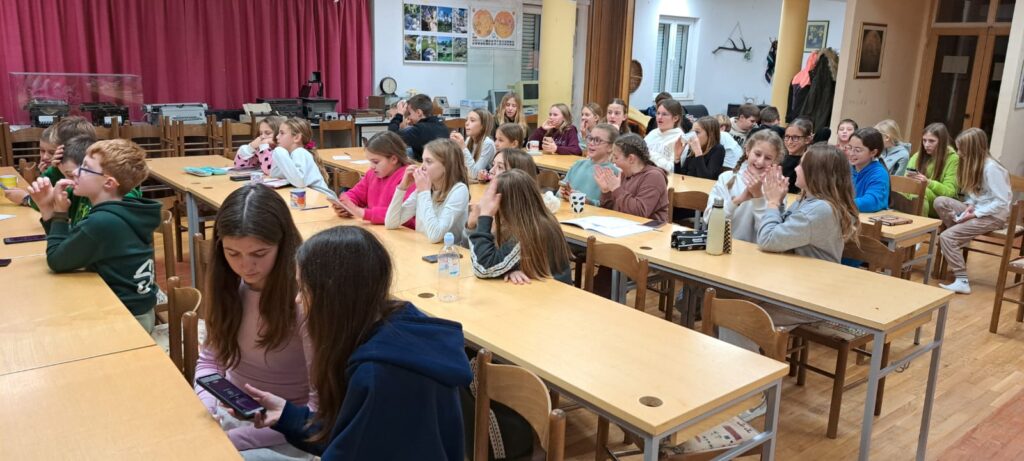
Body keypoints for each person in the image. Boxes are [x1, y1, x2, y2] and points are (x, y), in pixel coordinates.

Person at [243, 226, 473, 460]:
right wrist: (286, 416)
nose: (298, 299)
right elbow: (352, 435)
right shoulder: (400, 328)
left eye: (303, 289)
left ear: (332, 297)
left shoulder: (377, 374)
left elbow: (348, 445)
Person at [195, 184, 315, 458]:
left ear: (284, 246)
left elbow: (319, 412)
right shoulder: (228, 287)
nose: (245, 267)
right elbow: (209, 362)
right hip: (233, 416)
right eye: (232, 253)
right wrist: (209, 407)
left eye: (259, 254)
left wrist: (232, 439)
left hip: (290, 432)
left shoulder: (305, 301)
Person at [28, 139, 161, 330]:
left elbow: (56, 260)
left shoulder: (103, 221)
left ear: (109, 183)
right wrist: (48, 210)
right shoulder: (122, 210)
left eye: (85, 168)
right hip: (135, 310)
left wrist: (58, 213)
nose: (75, 172)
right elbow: (66, 252)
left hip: (127, 319)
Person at [934, 128, 1011, 294]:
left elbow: (1001, 201)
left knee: (946, 237)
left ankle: (962, 281)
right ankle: (959, 238)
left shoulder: (992, 168)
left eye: (961, 149)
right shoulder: (976, 165)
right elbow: (977, 195)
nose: (959, 153)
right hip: (980, 210)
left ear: (972, 149)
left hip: (994, 216)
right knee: (940, 202)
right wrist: (970, 205)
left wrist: (975, 213)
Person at [757, 144, 859, 263]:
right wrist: (778, 202)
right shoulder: (807, 199)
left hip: (814, 273)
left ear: (816, 173)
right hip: (795, 269)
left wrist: (773, 202)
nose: (796, 169)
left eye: (801, 165)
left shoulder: (820, 209)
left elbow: (767, 240)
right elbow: (781, 230)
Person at [469, 170, 572, 285]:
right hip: (537, 288)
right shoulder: (526, 220)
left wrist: (484, 217)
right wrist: (508, 269)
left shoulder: (531, 229)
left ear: (505, 204)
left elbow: (483, 268)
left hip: (552, 293)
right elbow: (493, 258)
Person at [705, 130, 786, 242]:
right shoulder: (726, 178)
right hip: (725, 245)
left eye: (768, 158)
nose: (760, 161)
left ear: (775, 160)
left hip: (758, 249)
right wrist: (737, 200)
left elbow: (768, 234)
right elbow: (710, 220)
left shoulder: (776, 185)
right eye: (757, 154)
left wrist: (758, 196)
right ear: (748, 151)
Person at [385, 138, 470, 244]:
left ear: (446, 166)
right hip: (423, 248)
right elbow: (391, 223)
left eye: (429, 162)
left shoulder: (459, 190)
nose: (422, 167)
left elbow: (435, 236)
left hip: (446, 252)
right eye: (423, 160)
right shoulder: (426, 188)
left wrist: (424, 192)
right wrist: (402, 187)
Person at [333, 131, 415, 228]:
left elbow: (402, 214)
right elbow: (355, 194)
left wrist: (362, 213)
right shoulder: (372, 174)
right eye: (370, 161)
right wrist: (344, 205)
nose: (371, 166)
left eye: (376, 162)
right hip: (379, 230)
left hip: (403, 233)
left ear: (393, 159)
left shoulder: (409, 178)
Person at [596, 133, 669, 222]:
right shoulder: (624, 174)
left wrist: (616, 189)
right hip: (622, 225)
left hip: (648, 228)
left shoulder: (654, 177)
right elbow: (611, 211)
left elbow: (639, 212)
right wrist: (606, 191)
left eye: (616, 157)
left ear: (631, 158)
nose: (613, 161)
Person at [906, 123, 959, 218]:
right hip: (914, 194)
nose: (926, 145)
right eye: (924, 140)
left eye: (931, 141)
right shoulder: (917, 156)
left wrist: (928, 182)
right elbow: (905, 181)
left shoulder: (953, 159)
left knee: (920, 190)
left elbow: (950, 192)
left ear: (942, 142)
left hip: (938, 203)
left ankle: (920, 224)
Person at [561, 124, 620, 206]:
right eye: (590, 138)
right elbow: (560, 191)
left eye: (597, 140)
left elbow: (609, 206)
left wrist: (588, 202)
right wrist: (563, 193)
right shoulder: (578, 164)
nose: (591, 143)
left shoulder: (613, 173)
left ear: (610, 147)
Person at [388, 93, 450, 162]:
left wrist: (399, 114)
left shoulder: (419, 130)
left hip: (426, 164)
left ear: (418, 113)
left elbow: (391, 137)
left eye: (409, 113)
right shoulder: (441, 125)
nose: (408, 117)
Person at [271, 118, 329, 190]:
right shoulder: (290, 154)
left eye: (282, 133)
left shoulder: (300, 152)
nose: (277, 137)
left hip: (321, 195)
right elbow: (274, 173)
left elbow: (299, 182)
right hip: (311, 194)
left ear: (297, 137)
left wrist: (279, 151)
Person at [847, 127, 890, 213]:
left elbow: (871, 202)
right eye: (849, 148)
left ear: (873, 152)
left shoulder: (879, 173)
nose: (851, 153)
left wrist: (840, 204)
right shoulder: (847, 168)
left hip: (866, 218)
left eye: (857, 150)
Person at [451, 108, 496, 179]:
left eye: (472, 120)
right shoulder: (469, 139)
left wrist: (463, 147)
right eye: (466, 120)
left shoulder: (488, 144)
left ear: (483, 126)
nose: (467, 123)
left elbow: (474, 174)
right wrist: (454, 146)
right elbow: (457, 166)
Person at [645, 98, 685, 174]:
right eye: (658, 113)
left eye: (664, 114)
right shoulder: (652, 133)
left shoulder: (680, 138)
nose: (659, 117)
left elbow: (672, 169)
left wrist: (650, 154)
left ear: (675, 118)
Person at [781, 118, 814, 194]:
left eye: (795, 138)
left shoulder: (808, 162)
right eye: (787, 137)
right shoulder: (781, 159)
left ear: (807, 139)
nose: (789, 142)